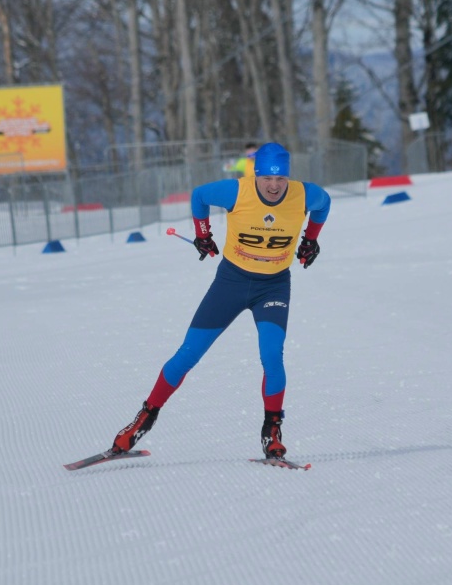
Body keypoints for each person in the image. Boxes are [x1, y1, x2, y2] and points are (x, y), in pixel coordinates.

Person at [111, 142, 331, 459]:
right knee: (188, 354)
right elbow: (199, 196)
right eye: (267, 178)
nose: (273, 186)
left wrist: (311, 239)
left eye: (280, 179)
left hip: (273, 287)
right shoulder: (237, 192)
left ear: (288, 177)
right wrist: (203, 234)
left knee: (272, 356)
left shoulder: (305, 195)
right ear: (256, 175)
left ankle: (272, 430)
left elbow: (324, 205)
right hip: (232, 283)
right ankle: (145, 417)